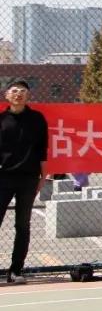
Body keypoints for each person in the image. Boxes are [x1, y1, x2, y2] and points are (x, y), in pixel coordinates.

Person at [0, 79, 48, 285]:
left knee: (22, 225)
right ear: (7, 95)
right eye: (14, 90)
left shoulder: (37, 119)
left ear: (28, 95)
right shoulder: (1, 120)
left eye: (22, 91)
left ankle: (16, 270)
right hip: (3, 178)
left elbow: (42, 150)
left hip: (28, 178)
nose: (18, 94)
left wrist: (43, 177)